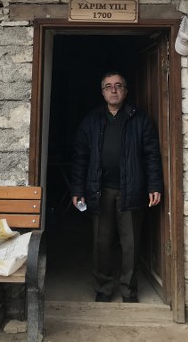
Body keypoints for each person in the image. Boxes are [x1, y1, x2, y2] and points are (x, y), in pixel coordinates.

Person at [71, 71, 163, 303]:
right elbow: (80, 157)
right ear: (102, 92)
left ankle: (128, 290)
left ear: (125, 91)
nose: (113, 90)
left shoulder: (139, 119)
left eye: (118, 85)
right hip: (100, 191)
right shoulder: (92, 120)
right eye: (108, 86)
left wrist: (154, 185)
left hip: (130, 190)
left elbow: (152, 155)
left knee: (130, 244)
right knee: (101, 243)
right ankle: (103, 289)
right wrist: (77, 189)